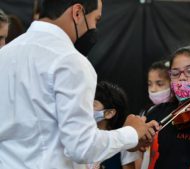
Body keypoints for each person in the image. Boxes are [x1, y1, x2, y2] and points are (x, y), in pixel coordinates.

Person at [0, 1, 159, 169]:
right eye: (96, 20)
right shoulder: (70, 60)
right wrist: (131, 132)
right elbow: (82, 146)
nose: (94, 27)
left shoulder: (5, 54)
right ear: (77, 13)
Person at [74, 81, 139, 169]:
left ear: (109, 113)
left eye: (92, 104)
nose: (85, 108)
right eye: (85, 102)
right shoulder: (76, 136)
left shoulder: (125, 141)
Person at [136, 60, 173, 169]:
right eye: (149, 84)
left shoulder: (177, 111)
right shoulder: (146, 113)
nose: (153, 89)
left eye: (159, 83)